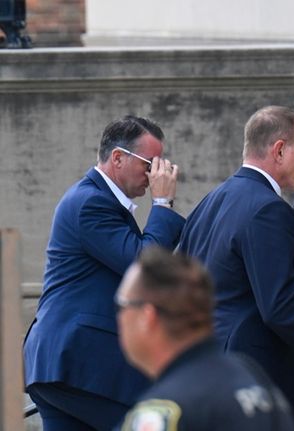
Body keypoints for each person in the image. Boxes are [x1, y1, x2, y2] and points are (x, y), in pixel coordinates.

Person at [23, 115, 185, 430]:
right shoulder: (91, 203)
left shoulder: (98, 200)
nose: (155, 174)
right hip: (78, 363)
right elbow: (144, 267)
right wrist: (163, 203)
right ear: (118, 158)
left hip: (62, 364)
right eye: (149, 163)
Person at [177, 106, 294, 428]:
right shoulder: (268, 210)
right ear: (279, 150)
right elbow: (280, 309)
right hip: (253, 374)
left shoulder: (211, 201)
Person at [115, 247, 294, 431]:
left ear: (148, 317)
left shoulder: (163, 411)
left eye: (121, 306)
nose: (119, 317)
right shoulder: (252, 376)